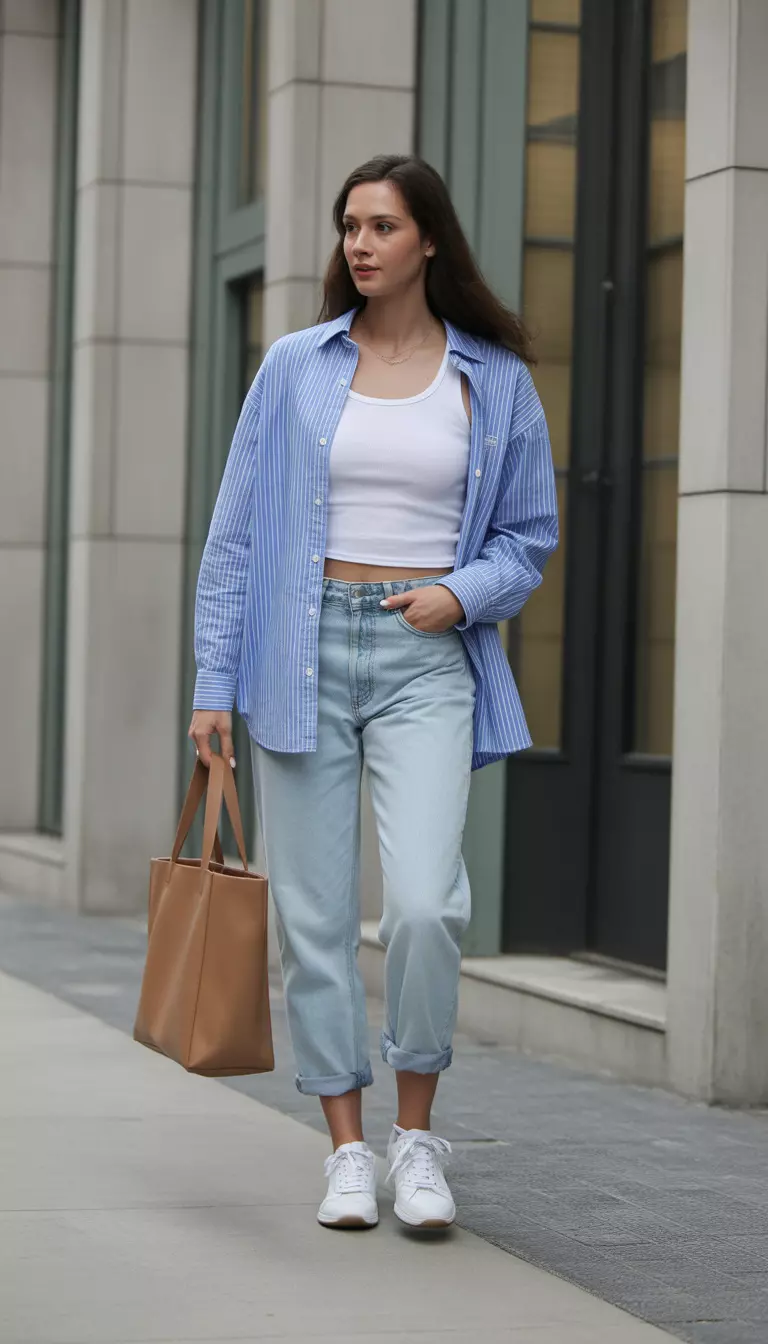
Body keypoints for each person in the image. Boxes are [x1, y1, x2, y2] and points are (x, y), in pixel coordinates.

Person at [188, 154, 558, 1232]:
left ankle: (418, 1137)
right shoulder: (296, 367)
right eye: (351, 224)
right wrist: (214, 683)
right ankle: (347, 1148)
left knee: (425, 905)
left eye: (384, 225)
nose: (359, 242)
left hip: (423, 655)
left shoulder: (491, 379)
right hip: (297, 651)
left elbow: (527, 539)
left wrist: (462, 593)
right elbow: (236, 536)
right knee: (311, 920)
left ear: (429, 241)